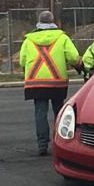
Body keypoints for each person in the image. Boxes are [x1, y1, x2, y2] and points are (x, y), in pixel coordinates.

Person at [18, 10, 81, 156]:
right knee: (59, 112)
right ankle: (60, 142)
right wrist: (79, 66)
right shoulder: (62, 38)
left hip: (35, 83)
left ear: (39, 22)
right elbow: (73, 57)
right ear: (53, 21)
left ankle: (42, 144)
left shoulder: (29, 40)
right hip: (57, 82)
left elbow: (22, 61)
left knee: (40, 112)